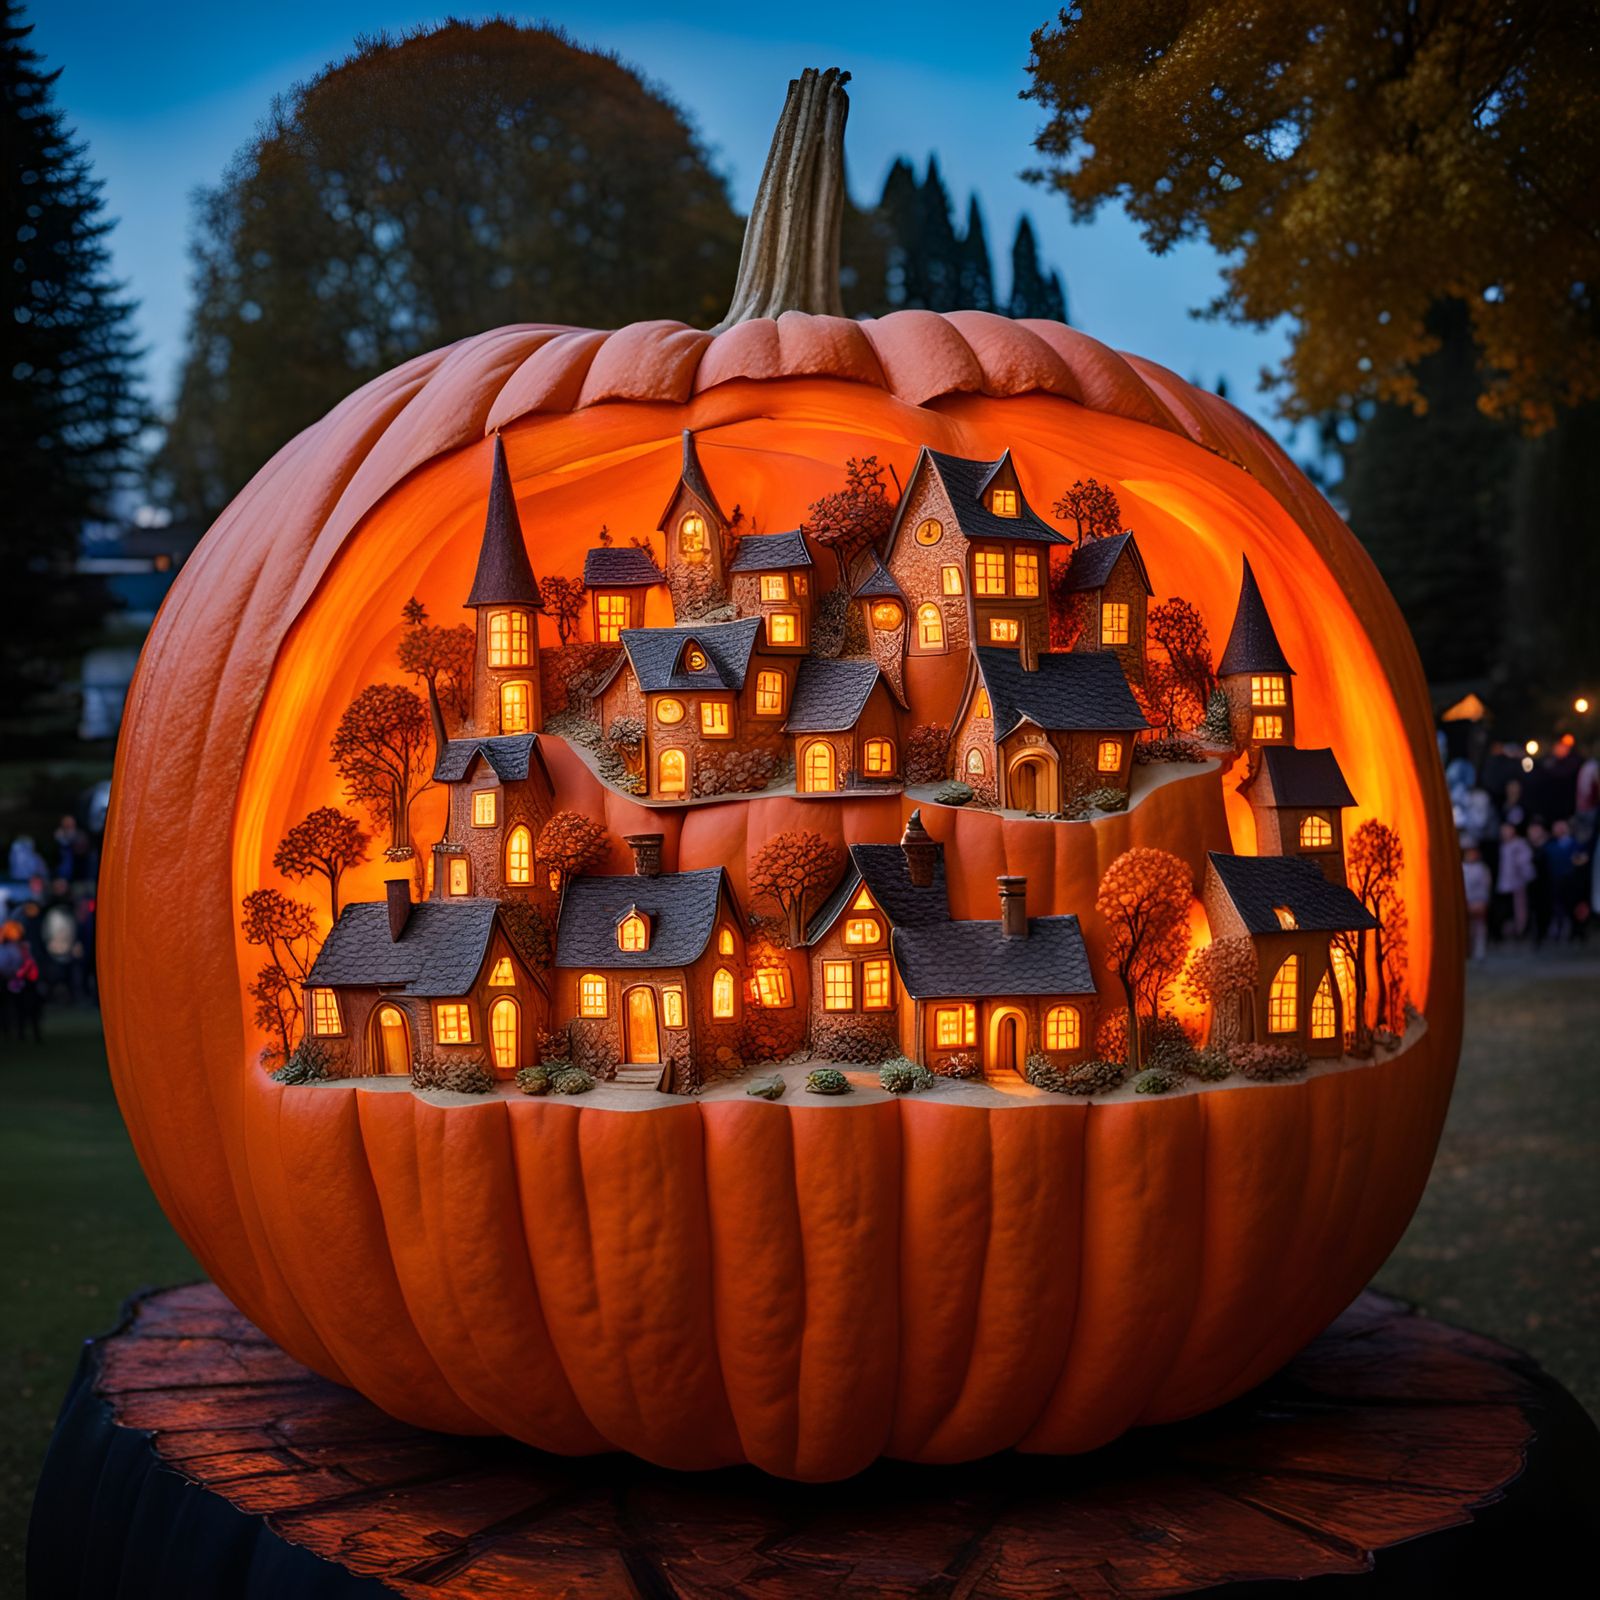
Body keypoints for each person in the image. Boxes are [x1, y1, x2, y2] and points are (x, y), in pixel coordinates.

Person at [0, 919, 42, 1042]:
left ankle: (32, 1033)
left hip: (25, 982)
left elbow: (31, 964)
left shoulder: (24, 947)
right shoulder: (6, 949)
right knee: (12, 1008)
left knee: (29, 1007)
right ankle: (13, 1033)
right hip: (10, 981)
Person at [1496, 822, 1536, 940]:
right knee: (1507, 908)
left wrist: (1527, 877)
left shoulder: (1520, 844)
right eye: (1503, 830)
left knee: (1520, 907)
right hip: (1505, 882)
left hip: (1518, 881)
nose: (1505, 833)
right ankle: (1509, 929)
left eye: (1507, 830)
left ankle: (1521, 929)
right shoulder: (1503, 845)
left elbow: (1525, 863)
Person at [1462, 845, 1492, 961]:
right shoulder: (1462, 868)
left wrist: (1484, 901)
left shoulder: (1482, 869)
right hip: (1467, 901)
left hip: (1478, 901)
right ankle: (1468, 949)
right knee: (1468, 928)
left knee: (1479, 927)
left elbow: (1486, 886)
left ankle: (1479, 951)